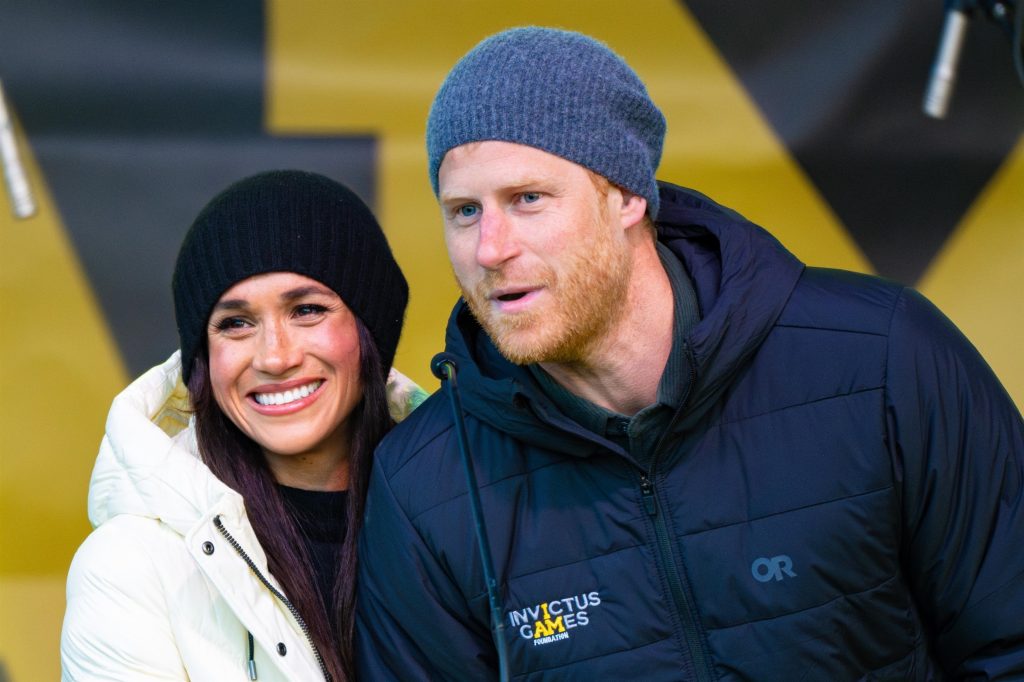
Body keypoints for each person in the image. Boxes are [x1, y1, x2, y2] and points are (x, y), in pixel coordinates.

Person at [354, 27, 1024, 680]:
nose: (490, 249)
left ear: (627, 196)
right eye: (464, 211)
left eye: (527, 199)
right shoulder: (425, 485)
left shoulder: (882, 357)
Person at [61, 170, 426, 682]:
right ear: (203, 360)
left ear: (370, 334)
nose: (275, 356)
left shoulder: (472, 506)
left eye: (307, 310)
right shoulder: (131, 566)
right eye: (235, 323)